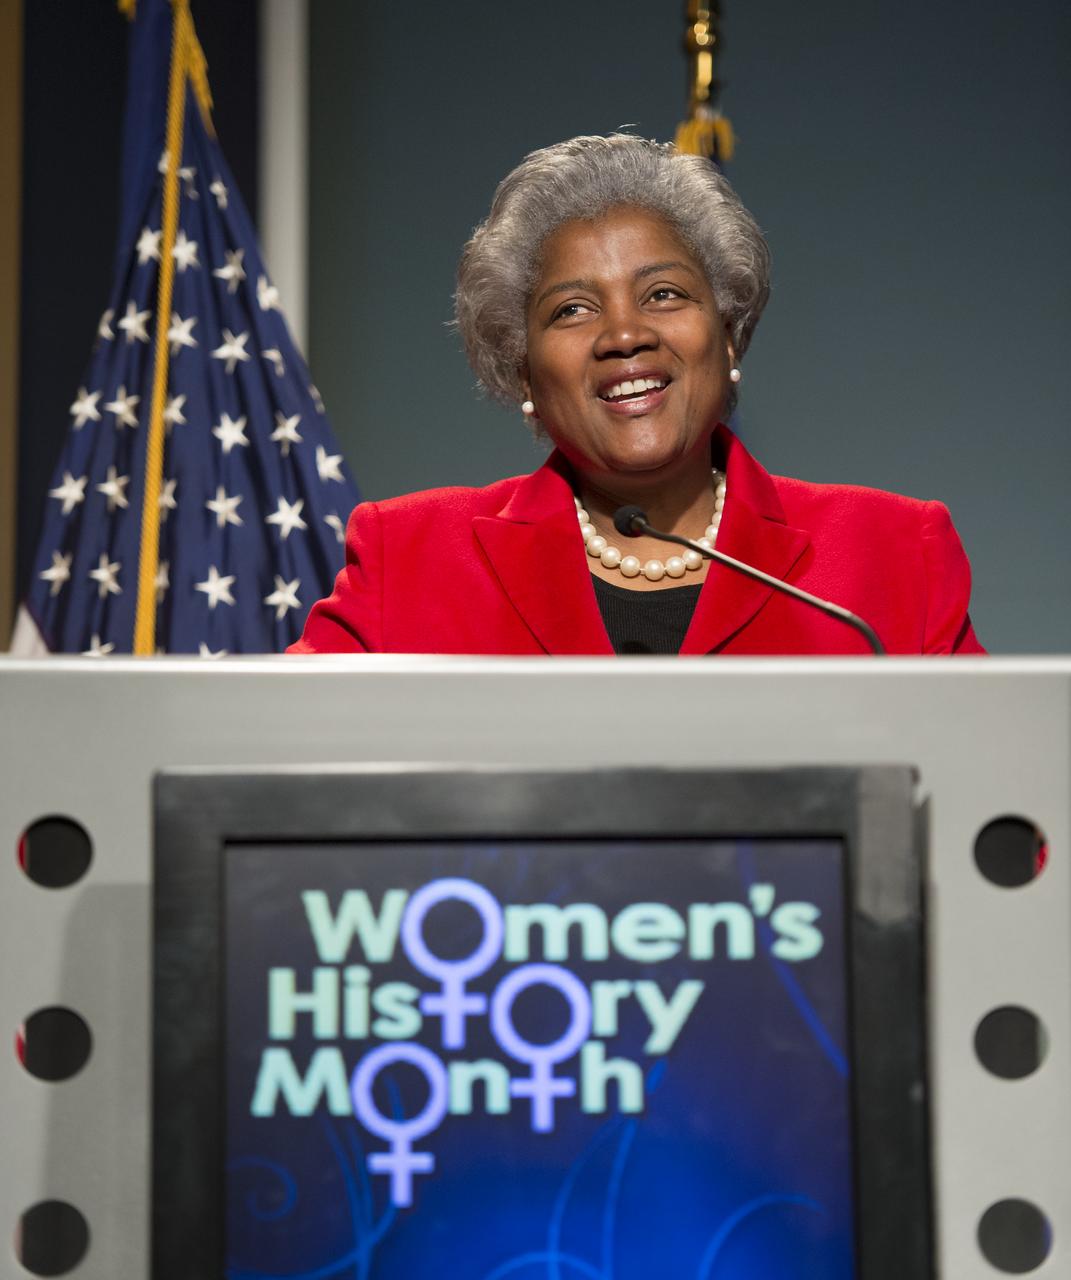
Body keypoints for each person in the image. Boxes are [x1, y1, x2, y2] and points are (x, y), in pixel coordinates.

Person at [290, 134, 983, 657]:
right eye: (572, 310)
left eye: (664, 295)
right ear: (523, 372)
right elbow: (279, 774)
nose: (624, 335)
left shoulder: (894, 555)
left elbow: (992, 795)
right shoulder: (409, 559)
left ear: (729, 335)